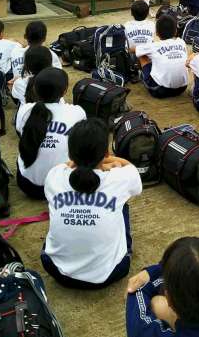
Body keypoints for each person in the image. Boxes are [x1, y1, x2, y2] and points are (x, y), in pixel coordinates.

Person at [41, 118, 142, 289]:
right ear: (106, 152)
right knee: (123, 203)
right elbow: (130, 168)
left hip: (57, 270)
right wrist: (108, 162)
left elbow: (67, 165)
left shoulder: (54, 175)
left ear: (70, 154)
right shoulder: (121, 178)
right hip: (109, 273)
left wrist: (86, 163)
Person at [15, 68, 86, 199]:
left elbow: (20, 133)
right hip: (61, 187)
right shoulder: (77, 112)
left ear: (35, 89)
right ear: (65, 91)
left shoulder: (24, 110)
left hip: (27, 185)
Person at [135, 14, 188, 98]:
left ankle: (142, 76)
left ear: (157, 33)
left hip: (160, 90)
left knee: (142, 56)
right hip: (182, 88)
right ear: (175, 31)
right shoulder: (181, 42)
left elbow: (136, 50)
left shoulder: (154, 46)